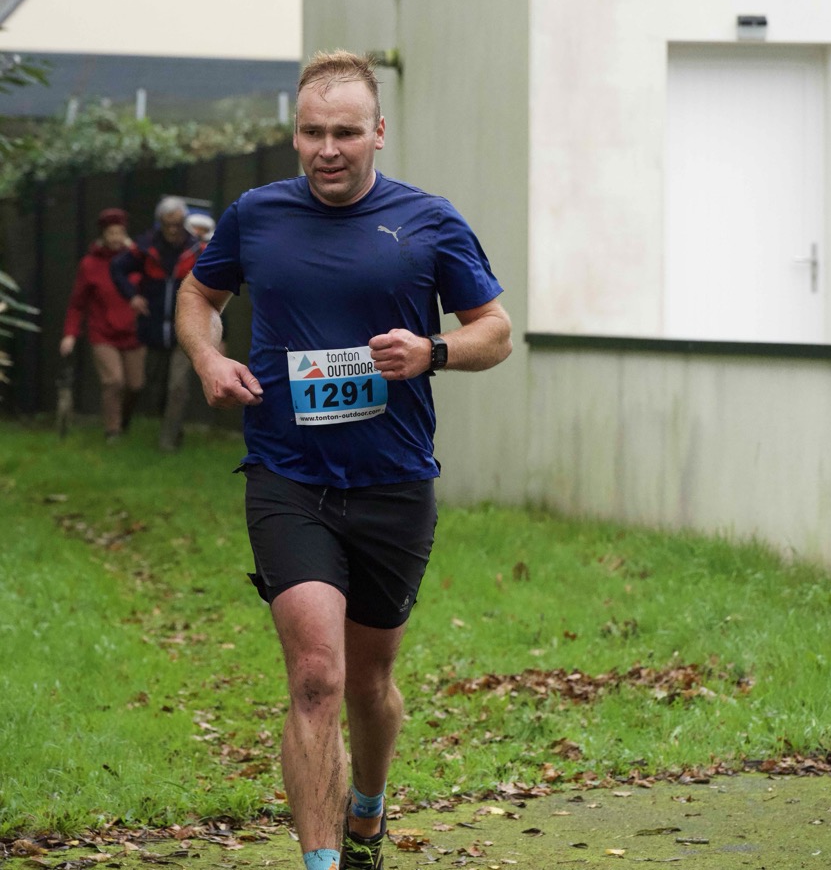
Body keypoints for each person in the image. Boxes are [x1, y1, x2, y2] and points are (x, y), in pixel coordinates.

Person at [176, 50, 512, 870]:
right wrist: (208, 358)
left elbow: (496, 332)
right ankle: (321, 862)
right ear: (295, 134)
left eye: (346, 133)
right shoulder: (256, 215)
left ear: (378, 133)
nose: (328, 149)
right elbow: (197, 294)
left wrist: (431, 351)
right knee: (316, 677)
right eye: (312, 132)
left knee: (368, 683)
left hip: (393, 482)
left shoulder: (428, 221)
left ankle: (368, 807)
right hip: (287, 477)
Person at [111, 195, 202, 452]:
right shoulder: (145, 247)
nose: (173, 230)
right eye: (167, 224)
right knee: (156, 387)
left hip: (186, 329)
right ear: (159, 222)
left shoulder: (198, 250)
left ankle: (167, 442)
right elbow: (117, 268)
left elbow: (216, 287)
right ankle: (173, 427)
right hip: (153, 328)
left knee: (178, 386)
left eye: (177, 224)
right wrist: (132, 296)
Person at [59, 207, 145, 442]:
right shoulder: (89, 264)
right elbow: (77, 304)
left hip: (134, 332)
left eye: (119, 232)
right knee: (113, 381)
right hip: (102, 333)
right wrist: (70, 334)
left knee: (135, 385)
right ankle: (112, 430)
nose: (115, 238)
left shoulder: (137, 260)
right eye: (111, 233)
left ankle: (124, 420)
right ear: (103, 235)